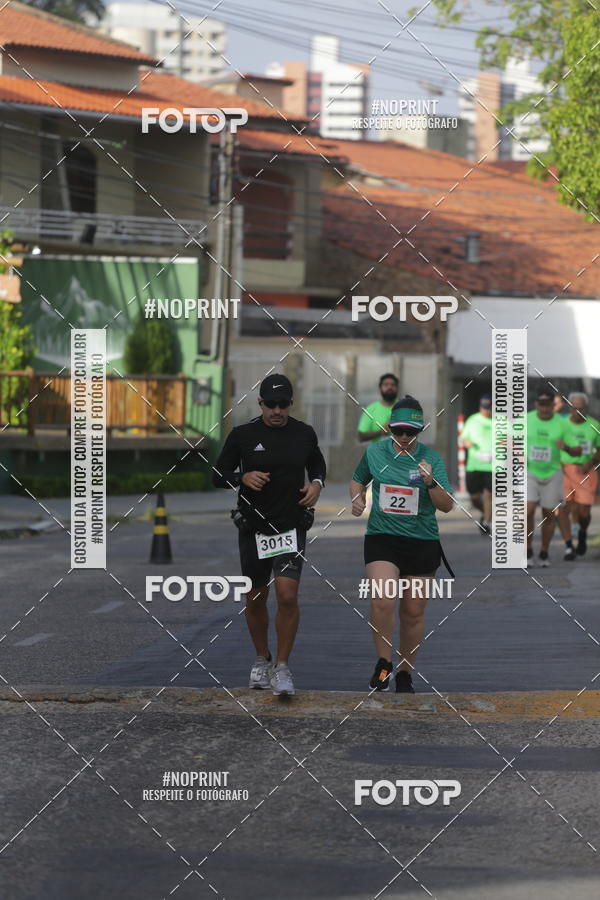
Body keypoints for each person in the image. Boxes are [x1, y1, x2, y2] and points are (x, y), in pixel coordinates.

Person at [212, 374, 326, 696]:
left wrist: (317, 484)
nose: (277, 411)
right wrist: (242, 477)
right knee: (256, 597)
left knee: (287, 595)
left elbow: (317, 464)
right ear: (260, 403)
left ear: (291, 404)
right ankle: (262, 659)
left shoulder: (304, 433)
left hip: (291, 524)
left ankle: (282, 667)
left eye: (283, 404)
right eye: (271, 404)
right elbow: (218, 475)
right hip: (254, 526)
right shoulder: (243, 434)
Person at [350, 396, 453, 694]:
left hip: (422, 541)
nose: (404, 437)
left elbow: (447, 505)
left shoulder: (431, 459)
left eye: (411, 431)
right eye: (398, 431)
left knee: (412, 613)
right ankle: (384, 663)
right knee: (383, 600)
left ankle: (405, 672)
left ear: (419, 430)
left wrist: (430, 483)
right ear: (390, 428)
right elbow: (357, 479)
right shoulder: (375, 452)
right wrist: (357, 498)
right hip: (383, 538)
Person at [526, 389, 581, 566]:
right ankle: (527, 550)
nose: (544, 409)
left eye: (547, 405)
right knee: (527, 511)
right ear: (536, 405)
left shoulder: (562, 424)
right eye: (541, 405)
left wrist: (566, 447)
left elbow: (578, 450)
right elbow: (506, 440)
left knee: (548, 514)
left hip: (552, 474)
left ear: (553, 405)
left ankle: (544, 552)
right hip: (530, 471)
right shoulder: (525, 420)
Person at [558, 392, 600, 557]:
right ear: (569, 407)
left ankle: (582, 533)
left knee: (584, 513)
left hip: (585, 471)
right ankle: (568, 546)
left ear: (586, 408)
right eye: (574, 408)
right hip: (563, 470)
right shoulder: (560, 424)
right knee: (563, 508)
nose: (578, 412)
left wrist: (592, 461)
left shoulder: (594, 425)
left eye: (581, 408)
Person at [461, 394, 493, 535]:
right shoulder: (472, 420)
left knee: (488, 494)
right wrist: (466, 442)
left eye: (489, 408)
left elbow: (511, 437)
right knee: (474, 498)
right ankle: (486, 512)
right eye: (484, 407)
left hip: (493, 465)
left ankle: (486, 523)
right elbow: (464, 438)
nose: (486, 410)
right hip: (474, 465)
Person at [357, 373, 399, 443]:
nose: (390, 387)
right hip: (378, 450)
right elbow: (361, 437)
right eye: (386, 385)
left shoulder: (404, 407)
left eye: (393, 385)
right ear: (380, 388)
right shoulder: (371, 409)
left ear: (397, 388)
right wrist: (382, 431)